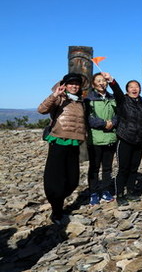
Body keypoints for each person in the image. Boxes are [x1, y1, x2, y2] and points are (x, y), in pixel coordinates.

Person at [38, 73, 87, 224]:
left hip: (73, 143)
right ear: (65, 85)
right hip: (58, 142)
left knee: (72, 181)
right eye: (71, 83)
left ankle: (57, 199)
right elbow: (41, 110)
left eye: (77, 84)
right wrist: (54, 95)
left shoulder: (81, 102)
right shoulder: (59, 98)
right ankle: (57, 211)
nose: (74, 86)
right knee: (55, 180)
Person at [103, 74, 142, 206]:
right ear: (127, 90)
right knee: (123, 168)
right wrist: (112, 81)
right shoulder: (122, 100)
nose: (134, 89)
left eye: (136, 87)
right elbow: (116, 91)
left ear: (140, 89)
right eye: (131, 87)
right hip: (124, 139)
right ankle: (120, 194)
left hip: (139, 141)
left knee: (134, 168)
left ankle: (130, 192)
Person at [85, 73, 118, 205]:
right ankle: (93, 192)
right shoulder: (89, 99)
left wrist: (113, 122)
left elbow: (119, 113)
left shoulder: (112, 98)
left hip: (110, 138)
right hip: (95, 138)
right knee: (94, 167)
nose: (101, 83)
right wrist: (104, 124)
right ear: (93, 84)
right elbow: (88, 118)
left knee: (107, 168)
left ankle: (105, 190)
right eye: (98, 81)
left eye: (103, 80)